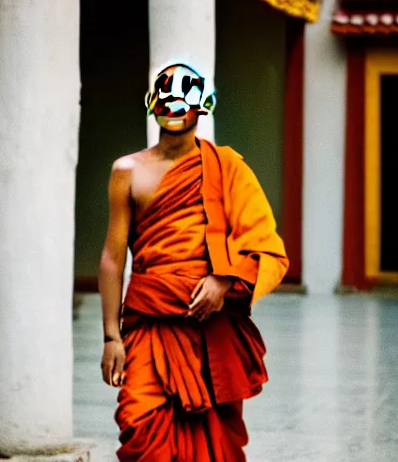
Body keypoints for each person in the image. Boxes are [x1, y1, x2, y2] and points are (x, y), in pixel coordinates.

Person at [98, 63, 289, 461]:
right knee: (138, 419)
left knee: (211, 435)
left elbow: (263, 241)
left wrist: (223, 281)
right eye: (165, 100)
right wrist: (111, 337)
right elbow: (112, 259)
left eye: (184, 102)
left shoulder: (226, 166)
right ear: (153, 105)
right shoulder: (127, 171)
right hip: (149, 320)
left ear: (204, 109)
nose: (174, 109)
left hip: (207, 324)